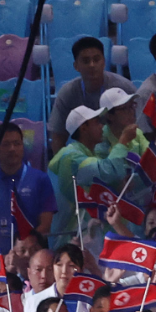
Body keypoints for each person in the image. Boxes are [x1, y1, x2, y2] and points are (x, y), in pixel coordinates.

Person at [48, 105, 138, 244]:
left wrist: (120, 187)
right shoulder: (70, 158)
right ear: (84, 128)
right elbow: (109, 171)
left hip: (83, 236)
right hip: (66, 239)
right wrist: (123, 140)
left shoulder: (88, 154)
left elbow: (101, 185)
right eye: (97, 122)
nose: (102, 126)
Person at [0, 123, 57, 247]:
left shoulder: (41, 179)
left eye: (17, 143)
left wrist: (23, 248)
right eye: (6, 144)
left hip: (31, 254)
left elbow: (46, 225)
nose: (12, 149)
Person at [51, 37, 138, 152]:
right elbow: (58, 136)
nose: (92, 65)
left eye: (96, 60)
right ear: (76, 66)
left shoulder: (124, 88)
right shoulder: (67, 93)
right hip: (84, 155)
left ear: (104, 62)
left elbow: (138, 127)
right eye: (86, 61)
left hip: (122, 150)